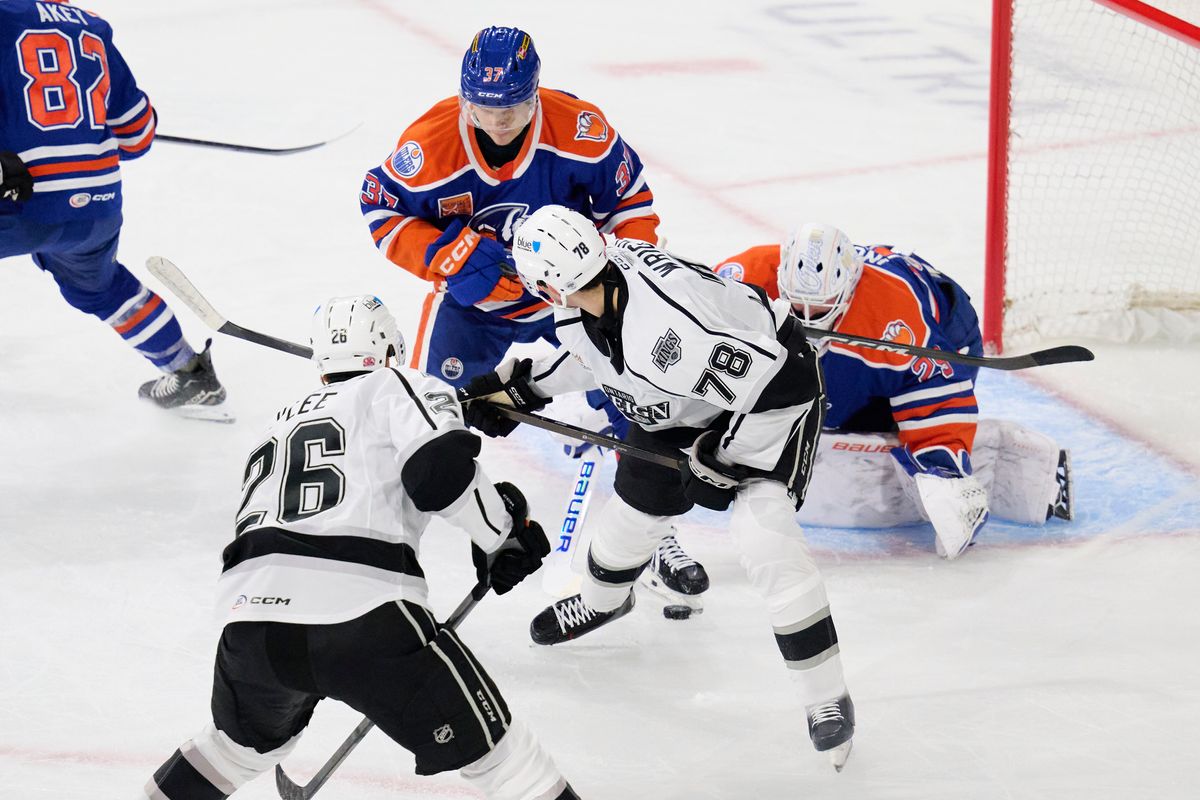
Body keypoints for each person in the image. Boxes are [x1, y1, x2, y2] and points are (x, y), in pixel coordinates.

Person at [141, 296, 580, 800]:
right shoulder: (398, 383)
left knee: (235, 749)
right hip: (363, 613)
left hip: (250, 621)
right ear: (390, 349)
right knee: (503, 759)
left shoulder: (277, 423)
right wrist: (504, 535)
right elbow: (439, 475)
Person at [464, 206, 855, 767]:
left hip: (771, 402)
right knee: (631, 517)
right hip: (684, 401)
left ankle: (826, 698)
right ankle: (605, 603)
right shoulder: (595, 293)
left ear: (552, 282)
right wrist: (522, 390)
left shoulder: (666, 336)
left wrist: (724, 459)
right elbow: (599, 360)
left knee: (763, 536)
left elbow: (784, 384)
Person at [358, 24, 707, 608]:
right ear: (464, 94)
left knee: (639, 395)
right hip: (478, 308)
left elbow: (633, 207)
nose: (498, 120)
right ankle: (382, 534)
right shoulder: (430, 145)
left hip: (570, 300)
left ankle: (652, 535)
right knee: (429, 413)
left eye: (515, 106)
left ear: (537, 91)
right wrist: (444, 256)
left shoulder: (582, 132)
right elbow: (380, 206)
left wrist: (615, 282)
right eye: (484, 106)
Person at [716, 224, 1072, 555]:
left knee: (864, 402)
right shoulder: (744, 277)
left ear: (850, 286)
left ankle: (949, 473)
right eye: (796, 304)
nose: (809, 317)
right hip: (859, 339)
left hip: (946, 334)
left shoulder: (893, 314)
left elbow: (934, 386)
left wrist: (942, 469)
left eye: (823, 306)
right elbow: (693, 315)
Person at [1, 0, 227, 418]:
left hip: (16, 201)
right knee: (101, 287)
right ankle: (187, 370)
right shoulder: (93, 27)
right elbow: (137, 136)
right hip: (96, 207)